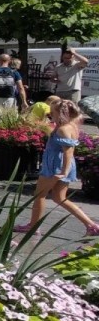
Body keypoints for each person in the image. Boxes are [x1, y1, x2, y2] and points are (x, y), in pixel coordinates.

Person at [17, 99, 97, 235]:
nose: (50, 115)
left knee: (39, 195)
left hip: (55, 166)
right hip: (61, 165)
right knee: (60, 198)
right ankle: (91, 225)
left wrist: (63, 172)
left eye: (52, 112)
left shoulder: (62, 130)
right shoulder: (71, 126)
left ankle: (33, 226)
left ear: (60, 114)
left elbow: (68, 151)